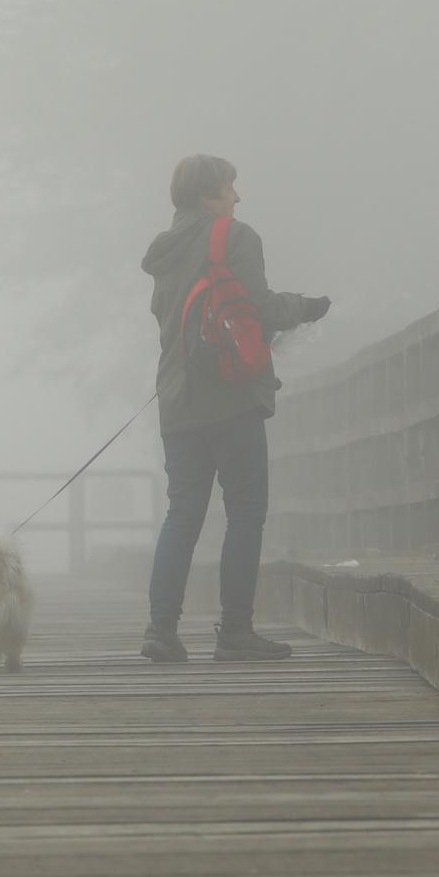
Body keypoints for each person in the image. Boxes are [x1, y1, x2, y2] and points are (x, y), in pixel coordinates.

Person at [139, 154, 331, 663]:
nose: (237, 198)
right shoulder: (234, 236)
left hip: (178, 401)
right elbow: (260, 307)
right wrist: (307, 307)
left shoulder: (164, 251)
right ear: (209, 197)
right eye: (230, 188)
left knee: (183, 513)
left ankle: (161, 630)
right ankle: (236, 631)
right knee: (245, 512)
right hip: (229, 396)